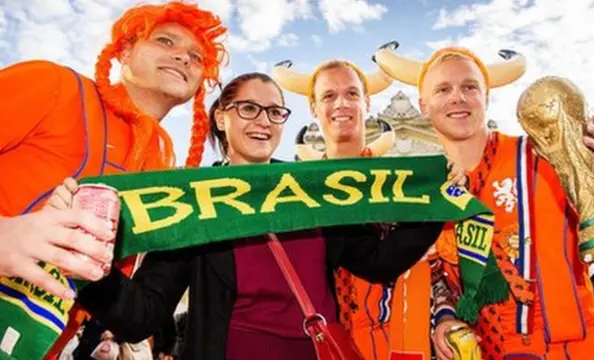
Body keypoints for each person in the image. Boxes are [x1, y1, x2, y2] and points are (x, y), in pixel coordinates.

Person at [48, 72, 446, 360]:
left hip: (319, 351)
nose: (263, 121)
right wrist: (85, 262)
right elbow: (142, 317)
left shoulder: (312, 189)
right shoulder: (191, 201)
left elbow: (379, 263)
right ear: (222, 117)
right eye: (249, 108)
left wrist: (435, 204)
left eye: (275, 112)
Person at [374, 44, 594, 359]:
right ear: (424, 105)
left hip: (571, 351)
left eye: (469, 86)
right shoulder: (429, 191)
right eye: (443, 89)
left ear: (487, 97)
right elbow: (438, 274)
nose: (458, 97)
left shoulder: (544, 155)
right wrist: (444, 318)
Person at [0, 2, 228, 358]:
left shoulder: (159, 174)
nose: (184, 58)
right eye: (166, 42)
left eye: (196, 57)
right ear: (123, 50)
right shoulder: (53, 86)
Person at [274, 58, 468, 360]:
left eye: (352, 94)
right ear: (313, 107)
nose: (342, 104)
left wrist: (445, 317)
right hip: (327, 349)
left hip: (408, 345)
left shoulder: (406, 183)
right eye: (328, 95)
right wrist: (435, 204)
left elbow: (437, 272)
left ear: (367, 102)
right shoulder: (299, 192)